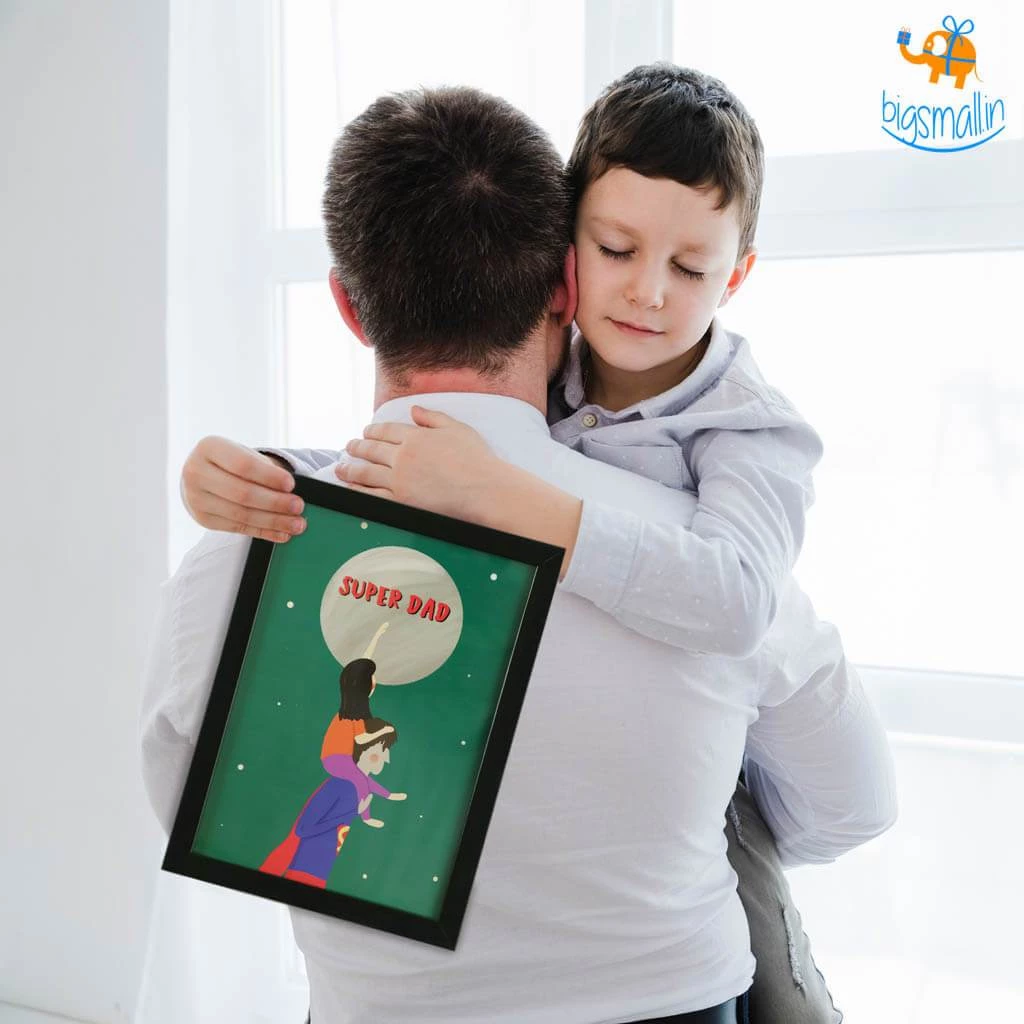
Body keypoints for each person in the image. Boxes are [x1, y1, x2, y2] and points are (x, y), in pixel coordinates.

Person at [144, 83, 897, 1023]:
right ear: (565, 287)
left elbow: (198, 808)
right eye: (619, 251)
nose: (650, 289)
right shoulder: (704, 558)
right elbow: (854, 806)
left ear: (347, 304)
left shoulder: (239, 549)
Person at [261, 719, 401, 888]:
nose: (386, 758)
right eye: (382, 749)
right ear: (362, 747)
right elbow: (302, 829)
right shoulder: (339, 784)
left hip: (321, 870)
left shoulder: (358, 787)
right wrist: (350, 814)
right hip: (305, 868)